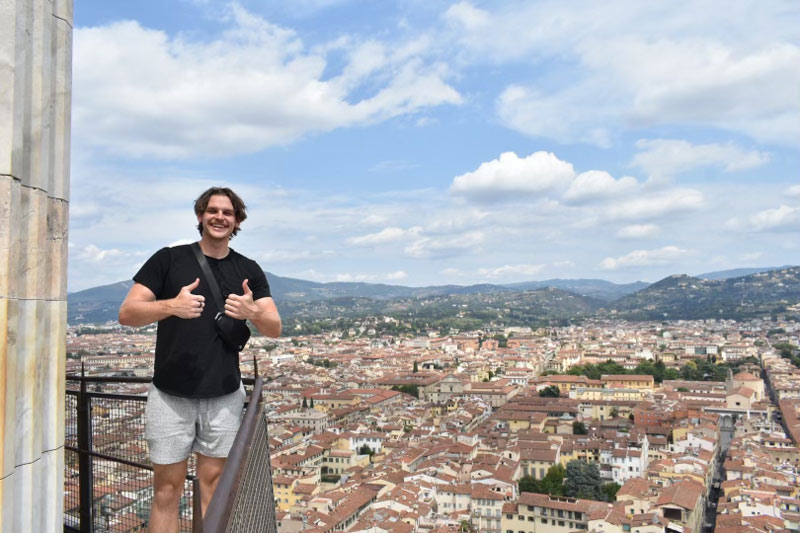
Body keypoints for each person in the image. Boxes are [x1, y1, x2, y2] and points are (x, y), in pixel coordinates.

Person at [119, 187, 281, 532]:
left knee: (215, 487)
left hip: (223, 395)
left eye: (228, 212)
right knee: (165, 491)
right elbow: (127, 313)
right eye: (213, 211)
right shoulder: (168, 259)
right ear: (200, 216)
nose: (220, 217)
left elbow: (274, 327)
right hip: (170, 396)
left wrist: (251, 310)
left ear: (237, 221)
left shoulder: (247, 269)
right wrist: (170, 306)